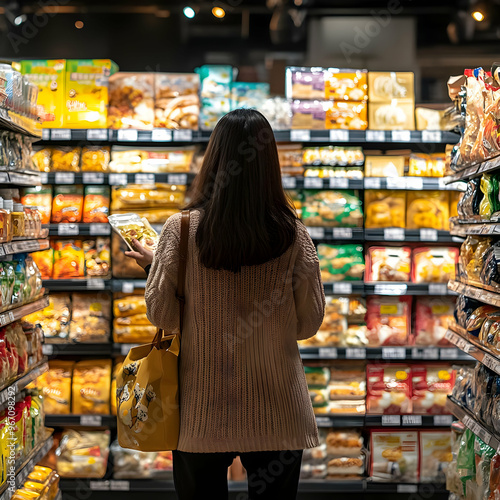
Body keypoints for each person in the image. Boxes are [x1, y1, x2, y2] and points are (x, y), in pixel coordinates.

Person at [125, 108, 325, 500]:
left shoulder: (180, 230)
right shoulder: (294, 235)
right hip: (278, 411)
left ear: (212, 159)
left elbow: (162, 315)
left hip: (200, 410)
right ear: (271, 165)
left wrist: (162, 269)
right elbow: (308, 324)